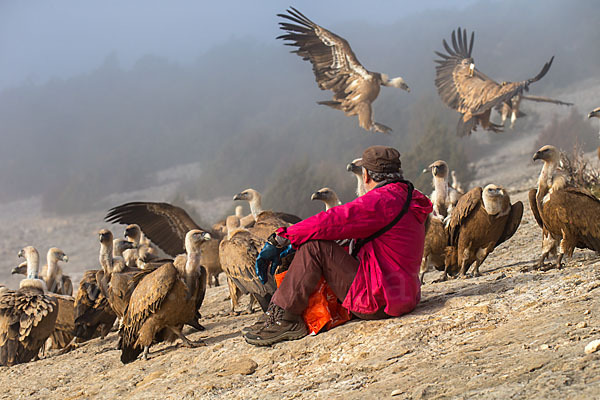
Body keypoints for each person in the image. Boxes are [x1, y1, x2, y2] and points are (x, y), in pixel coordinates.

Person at [244, 145, 433, 346]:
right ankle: (277, 313)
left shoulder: (380, 201)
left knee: (315, 248)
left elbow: (333, 220)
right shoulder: (410, 195)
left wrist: (283, 237)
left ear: (366, 175)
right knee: (323, 245)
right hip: (404, 294)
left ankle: (285, 318)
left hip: (380, 300)